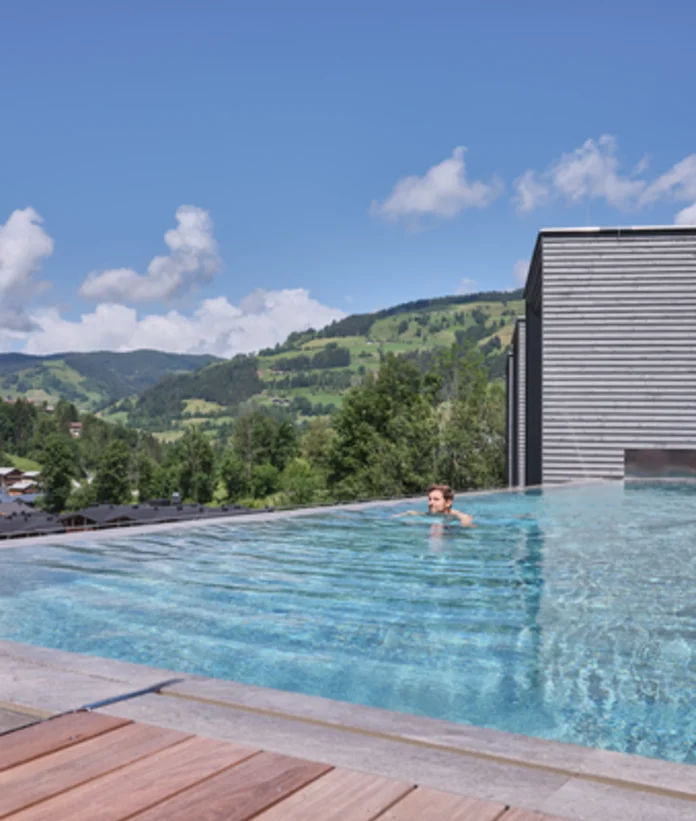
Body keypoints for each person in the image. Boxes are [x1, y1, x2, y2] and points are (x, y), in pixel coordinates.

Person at [394, 484, 474, 526]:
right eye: (429, 499)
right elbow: (411, 512)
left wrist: (465, 522)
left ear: (448, 502)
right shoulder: (426, 515)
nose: (430, 503)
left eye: (436, 499)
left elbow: (466, 519)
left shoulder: (456, 515)